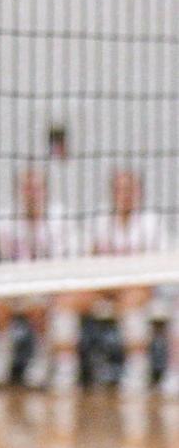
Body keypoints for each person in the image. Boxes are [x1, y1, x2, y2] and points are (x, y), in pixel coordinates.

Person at [0, 164, 76, 389]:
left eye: (36, 188)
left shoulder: (59, 218)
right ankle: (1, 355)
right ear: (18, 191)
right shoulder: (6, 218)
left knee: (43, 303)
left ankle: (42, 358)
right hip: (13, 284)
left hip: (48, 285)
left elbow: (66, 262)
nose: (31, 193)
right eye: (26, 188)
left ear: (45, 191)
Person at [80, 168, 168, 396]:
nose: (124, 194)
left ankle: (137, 368)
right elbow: (88, 261)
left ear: (139, 192)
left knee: (131, 298)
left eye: (129, 189)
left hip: (142, 287)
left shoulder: (151, 221)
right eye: (119, 189)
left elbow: (159, 269)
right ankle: (63, 367)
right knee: (66, 299)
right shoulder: (100, 219)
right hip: (104, 286)